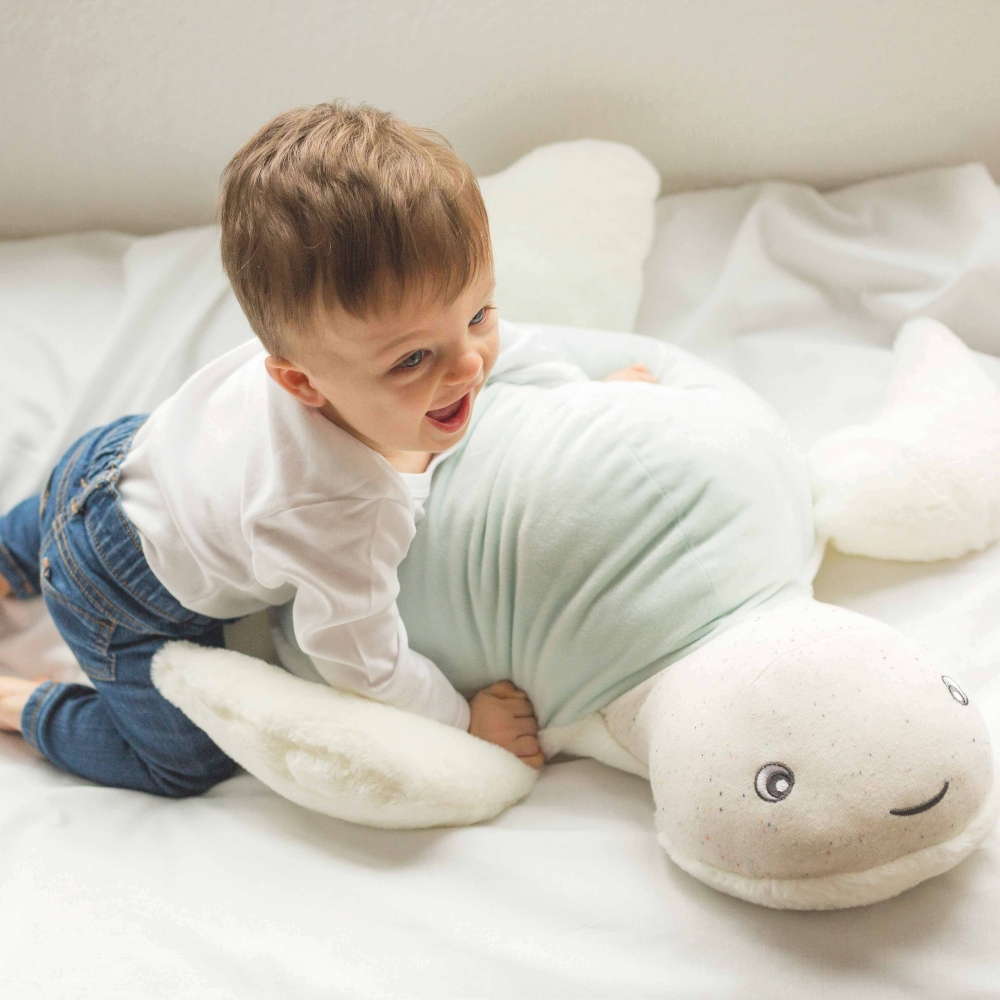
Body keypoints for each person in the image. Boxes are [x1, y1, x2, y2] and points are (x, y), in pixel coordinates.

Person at [0, 102, 653, 796]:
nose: (468, 366)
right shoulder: (341, 509)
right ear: (299, 381)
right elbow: (360, 662)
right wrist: (462, 720)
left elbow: (514, 348)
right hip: (119, 590)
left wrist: (586, 399)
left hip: (112, 455)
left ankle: (14, 555)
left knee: (49, 522)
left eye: (478, 314)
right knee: (184, 764)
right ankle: (19, 704)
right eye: (413, 361)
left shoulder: (382, 342)